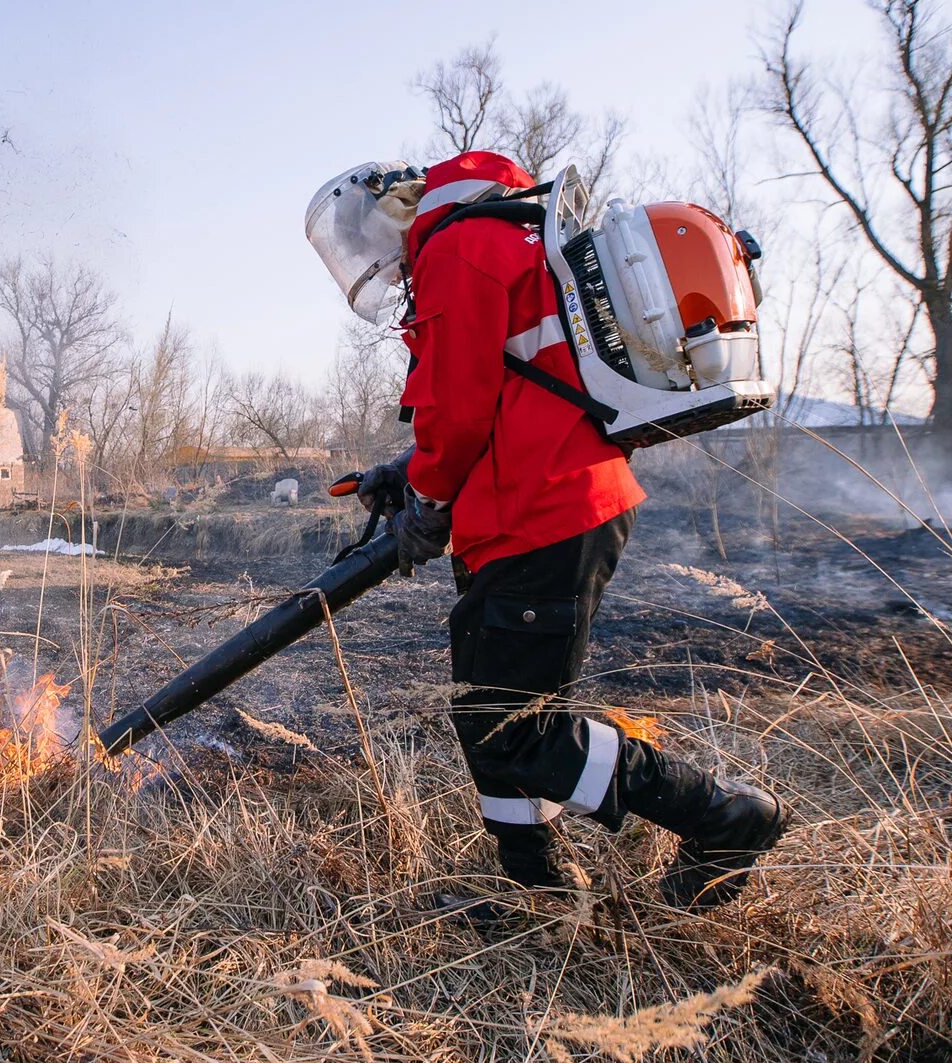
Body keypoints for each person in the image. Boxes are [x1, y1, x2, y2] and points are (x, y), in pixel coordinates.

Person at [308, 152, 786, 911]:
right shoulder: (504, 234)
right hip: (524, 510)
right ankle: (538, 887)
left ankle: (727, 819)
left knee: (521, 730)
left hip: (546, 510)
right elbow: (505, 389)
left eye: (367, 239)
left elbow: (459, 409)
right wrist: (409, 473)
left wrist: (427, 496)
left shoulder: (459, 246)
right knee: (487, 713)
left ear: (399, 208)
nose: (375, 261)